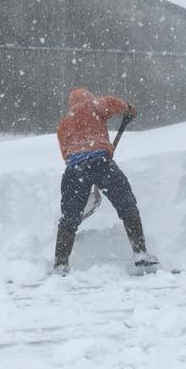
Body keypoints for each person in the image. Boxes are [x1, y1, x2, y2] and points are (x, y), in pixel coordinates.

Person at [54, 86, 156, 273]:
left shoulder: (63, 124)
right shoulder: (92, 106)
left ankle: (61, 264)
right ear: (88, 98)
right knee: (127, 206)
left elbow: (65, 154)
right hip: (101, 164)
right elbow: (111, 103)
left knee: (69, 219)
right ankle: (140, 252)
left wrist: (81, 164)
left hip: (74, 170)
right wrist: (128, 108)